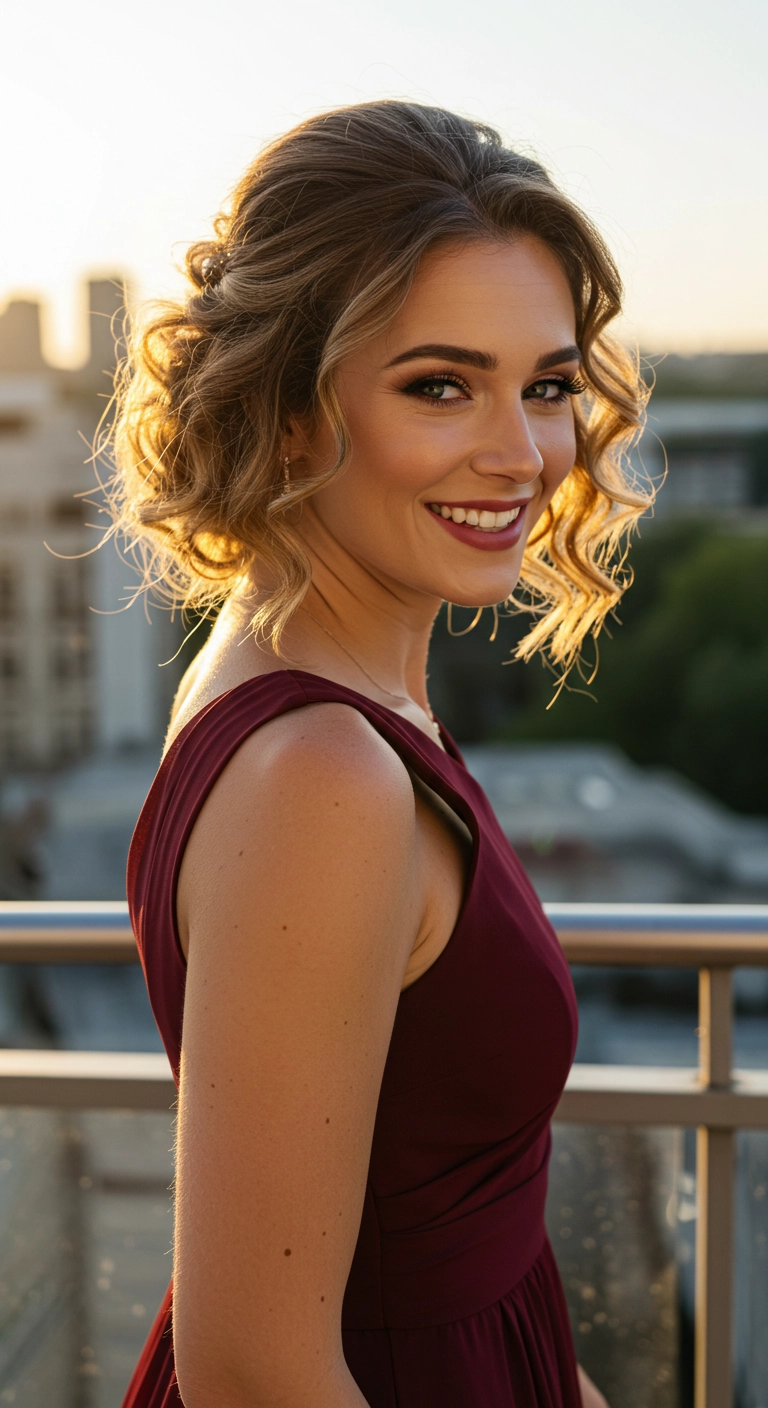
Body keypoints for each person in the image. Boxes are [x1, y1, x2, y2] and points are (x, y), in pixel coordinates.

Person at [116, 101, 650, 1408]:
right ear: (290, 409)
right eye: (439, 385)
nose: (521, 453)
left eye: (548, 385)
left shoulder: (323, 683)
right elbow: (253, 1370)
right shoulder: (323, 774)